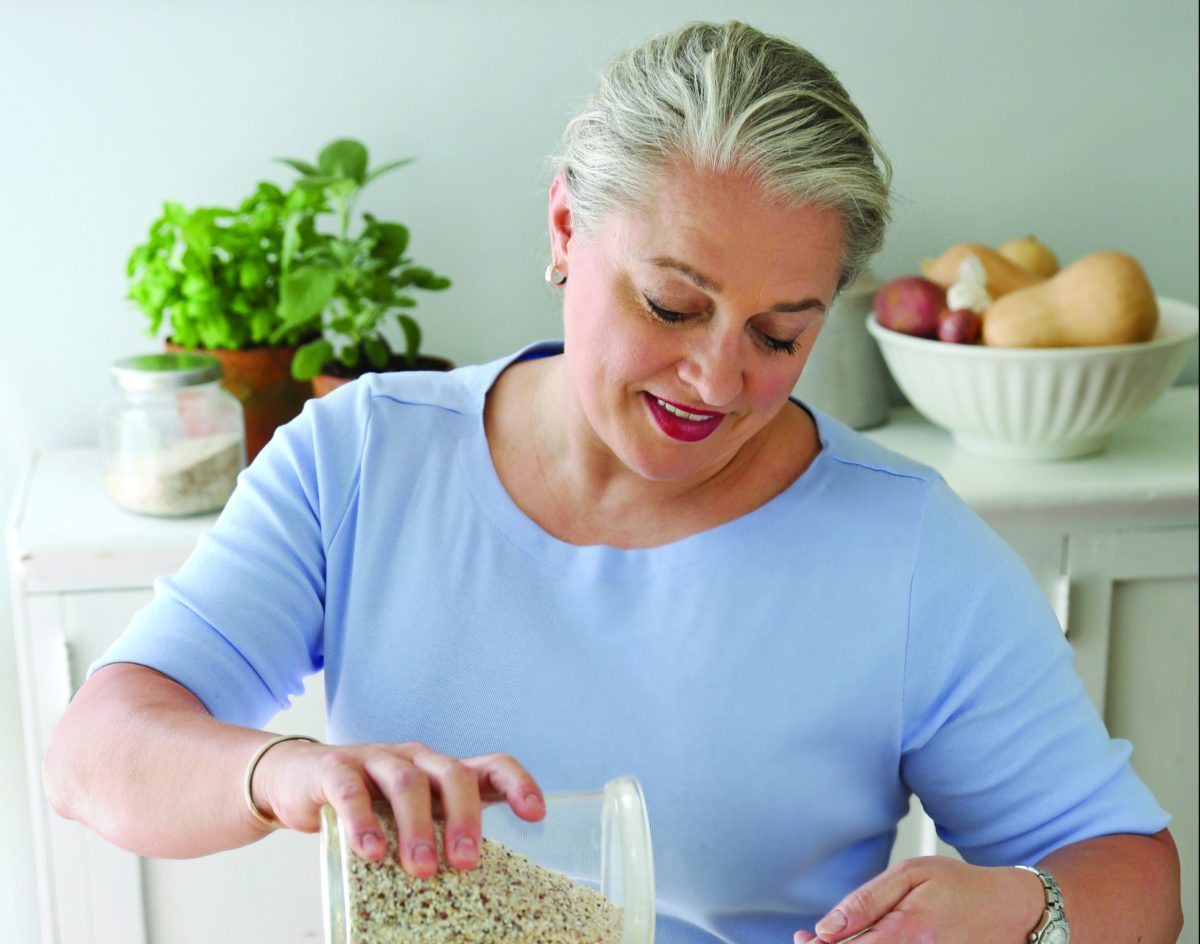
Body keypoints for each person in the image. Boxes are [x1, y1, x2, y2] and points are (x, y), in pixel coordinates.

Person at [45, 20, 1182, 944]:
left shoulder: (909, 550)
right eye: (672, 305)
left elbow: (1135, 872)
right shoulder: (363, 457)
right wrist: (283, 771)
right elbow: (98, 753)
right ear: (563, 226)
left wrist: (1031, 908)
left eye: (779, 336)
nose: (716, 377)